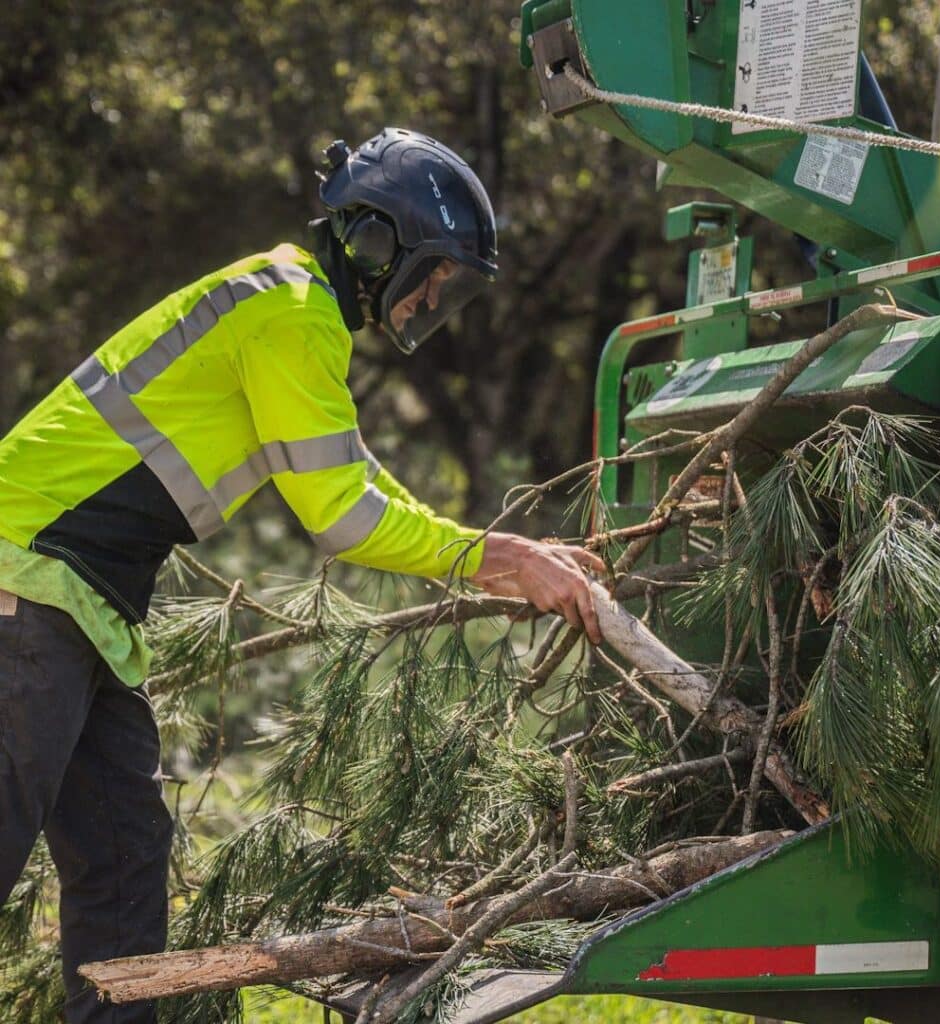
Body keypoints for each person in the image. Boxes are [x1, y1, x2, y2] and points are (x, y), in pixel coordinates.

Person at [0, 127, 603, 1023]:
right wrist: (499, 557)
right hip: (27, 580)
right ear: (380, 243)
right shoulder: (289, 310)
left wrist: (489, 559)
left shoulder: (298, 308)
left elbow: (352, 475)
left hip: (86, 602)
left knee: (125, 858)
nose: (434, 299)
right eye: (434, 274)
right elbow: (342, 519)